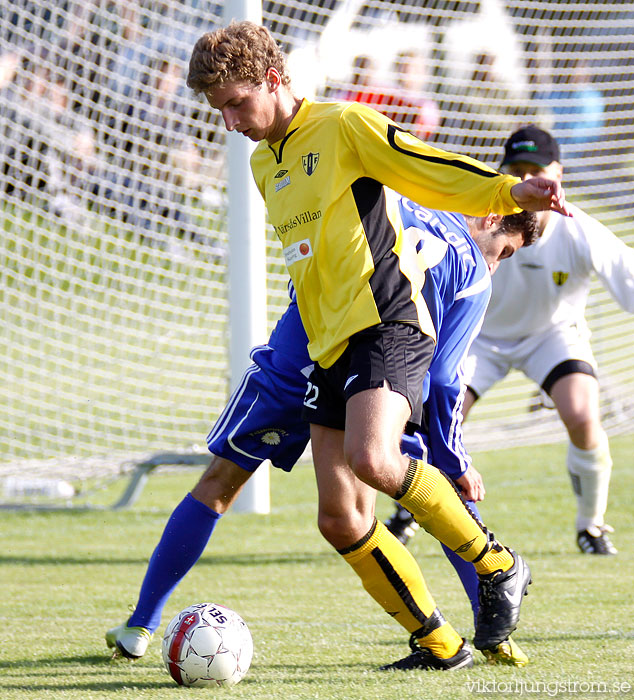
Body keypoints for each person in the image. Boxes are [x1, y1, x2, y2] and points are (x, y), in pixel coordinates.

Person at [183, 21, 572, 671]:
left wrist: (510, 191)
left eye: (236, 103)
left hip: (389, 319)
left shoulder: (343, 127)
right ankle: (439, 642)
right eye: (217, 109)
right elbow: (307, 264)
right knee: (339, 519)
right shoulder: (261, 165)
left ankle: (497, 562)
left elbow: (430, 173)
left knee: (373, 457)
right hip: (329, 344)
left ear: (274, 80)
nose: (229, 122)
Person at [106, 195, 538, 669]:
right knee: (429, 485)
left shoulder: (399, 201)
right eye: (505, 252)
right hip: (373, 365)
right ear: (491, 217)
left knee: (219, 486)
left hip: (299, 357)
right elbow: (444, 378)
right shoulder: (472, 269)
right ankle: (491, 625)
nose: (497, 265)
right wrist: (454, 457)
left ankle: (140, 626)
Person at [387, 125, 634, 556]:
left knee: (582, 416)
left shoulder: (580, 231)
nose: (528, 179)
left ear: (558, 173)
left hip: (552, 335)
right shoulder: (475, 216)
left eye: (537, 170)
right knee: (435, 418)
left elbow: (627, 279)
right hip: (479, 339)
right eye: (517, 170)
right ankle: (409, 511)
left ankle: (591, 527)